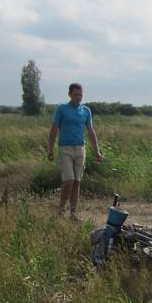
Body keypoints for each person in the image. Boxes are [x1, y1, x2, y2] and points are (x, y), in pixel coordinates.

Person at [48, 82, 103, 221]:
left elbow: (90, 131)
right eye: (76, 94)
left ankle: (73, 213)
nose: (78, 97)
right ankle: (61, 209)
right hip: (65, 148)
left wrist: (97, 151)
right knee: (69, 180)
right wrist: (50, 149)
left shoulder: (86, 110)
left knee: (77, 181)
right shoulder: (62, 109)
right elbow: (54, 129)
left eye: (81, 95)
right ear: (69, 94)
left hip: (80, 148)